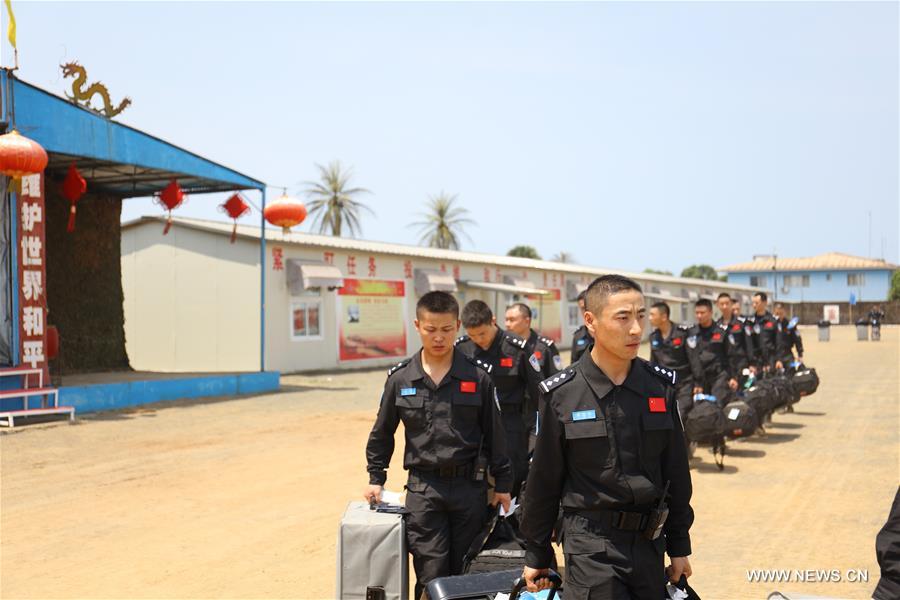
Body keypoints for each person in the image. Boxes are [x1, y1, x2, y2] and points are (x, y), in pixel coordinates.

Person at [521, 275, 694, 599]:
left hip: (648, 545)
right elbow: (543, 481)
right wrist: (537, 552)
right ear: (591, 321)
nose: (636, 329)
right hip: (590, 547)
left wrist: (679, 544)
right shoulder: (562, 395)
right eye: (623, 317)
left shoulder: (659, 388)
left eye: (640, 316)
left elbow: (675, 473)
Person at [363, 291, 512, 598]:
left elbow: (496, 433)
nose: (439, 338)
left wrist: (504, 484)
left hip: (469, 489)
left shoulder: (478, 377)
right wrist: (376, 477)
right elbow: (383, 432)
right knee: (430, 572)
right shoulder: (401, 379)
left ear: (457, 326)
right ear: (417, 326)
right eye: (431, 330)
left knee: (465, 572)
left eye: (446, 330)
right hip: (424, 490)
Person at [456, 300, 542, 497]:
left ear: (493, 321)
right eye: (472, 335)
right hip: (473, 426)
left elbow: (539, 394)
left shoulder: (518, 348)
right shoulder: (462, 349)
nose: (479, 340)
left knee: (512, 480)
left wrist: (536, 436)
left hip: (510, 425)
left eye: (482, 334)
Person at [685, 299, 737, 405]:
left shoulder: (722, 332)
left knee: (716, 405)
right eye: (697, 313)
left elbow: (731, 356)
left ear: (711, 313)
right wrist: (696, 382)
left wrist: (733, 377)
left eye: (702, 313)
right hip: (700, 379)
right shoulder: (691, 333)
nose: (699, 316)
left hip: (719, 376)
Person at [648, 301, 694, 420]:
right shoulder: (653, 337)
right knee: (657, 415)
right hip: (664, 385)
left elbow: (693, 359)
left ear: (663, 317)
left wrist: (699, 383)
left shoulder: (682, 333)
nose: (649, 318)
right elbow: (653, 362)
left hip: (684, 383)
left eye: (652, 315)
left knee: (680, 413)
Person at [505, 302, 562, 379]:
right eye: (506, 320)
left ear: (527, 321)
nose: (507, 324)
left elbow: (557, 377)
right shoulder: (504, 346)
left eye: (512, 320)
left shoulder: (545, 346)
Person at [716, 293, 754, 386]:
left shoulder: (741, 324)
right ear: (718, 305)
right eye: (722, 304)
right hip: (725, 368)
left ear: (731, 304)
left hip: (741, 364)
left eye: (727, 303)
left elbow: (748, 345)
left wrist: (752, 363)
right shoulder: (716, 326)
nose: (724, 306)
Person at [749, 292, 778, 373]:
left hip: (770, 359)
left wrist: (778, 359)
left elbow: (778, 342)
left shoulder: (773, 321)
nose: (754, 305)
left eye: (756, 303)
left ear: (765, 303)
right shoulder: (750, 321)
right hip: (757, 360)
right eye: (753, 303)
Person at [773, 301, 804, 369]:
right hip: (774, 355)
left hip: (787, 355)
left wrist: (800, 354)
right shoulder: (771, 325)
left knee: (791, 372)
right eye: (777, 314)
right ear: (774, 312)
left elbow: (797, 340)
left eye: (781, 313)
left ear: (784, 312)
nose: (779, 316)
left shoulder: (790, 325)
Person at [570, 290, 594, 364]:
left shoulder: (608, 333)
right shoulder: (578, 336)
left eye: (588, 307)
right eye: (583, 308)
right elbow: (573, 364)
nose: (585, 312)